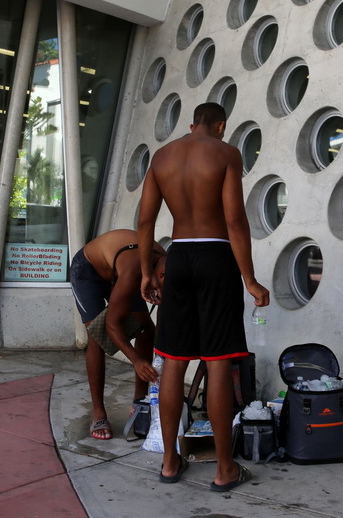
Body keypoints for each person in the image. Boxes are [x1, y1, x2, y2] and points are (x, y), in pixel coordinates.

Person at [138, 102, 270, 490]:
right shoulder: (226, 153)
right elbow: (234, 220)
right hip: (216, 256)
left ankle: (168, 462)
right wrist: (249, 278)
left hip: (177, 257)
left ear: (192, 124)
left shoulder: (162, 157)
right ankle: (225, 469)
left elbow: (145, 221)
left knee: (174, 361)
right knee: (216, 362)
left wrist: (148, 271)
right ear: (221, 126)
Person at [69, 229, 164, 439]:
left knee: (147, 329)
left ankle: (140, 400)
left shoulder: (166, 262)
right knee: (97, 335)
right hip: (88, 271)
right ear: (159, 275)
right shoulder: (133, 270)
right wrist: (136, 361)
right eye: (157, 289)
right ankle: (99, 413)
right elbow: (112, 324)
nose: (156, 294)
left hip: (118, 270)